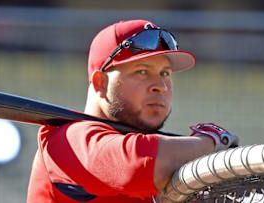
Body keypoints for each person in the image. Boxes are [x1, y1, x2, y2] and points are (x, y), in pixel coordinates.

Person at [26, 19, 239, 203]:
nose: (161, 86)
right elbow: (143, 165)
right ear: (100, 82)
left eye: (165, 73)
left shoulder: (168, 150)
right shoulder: (65, 139)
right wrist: (212, 142)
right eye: (142, 71)